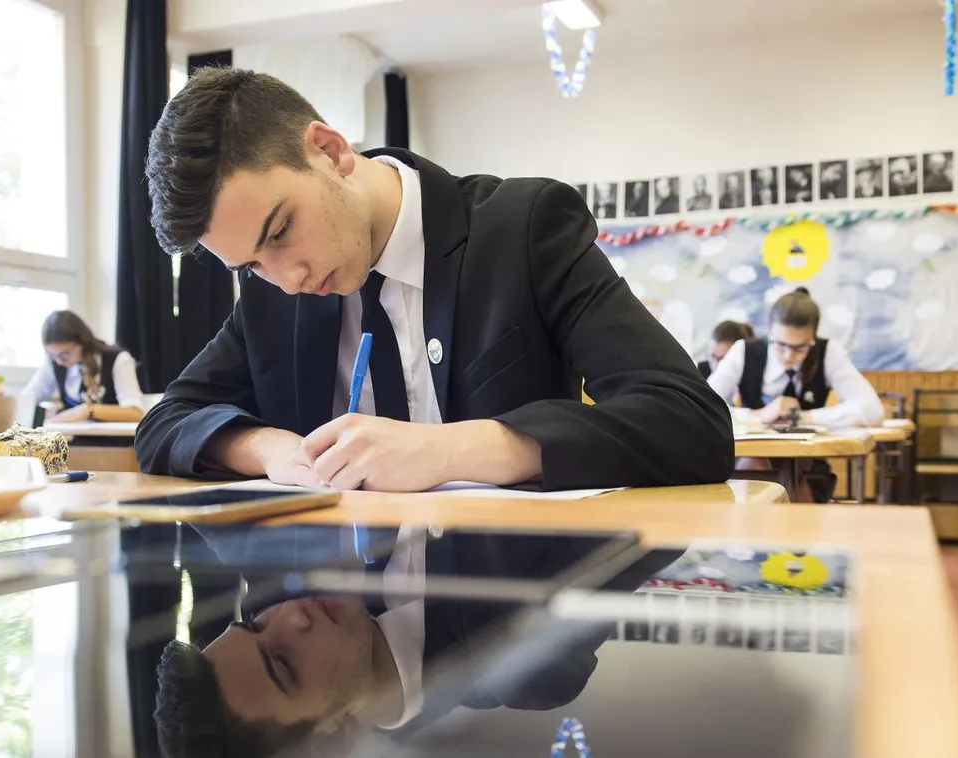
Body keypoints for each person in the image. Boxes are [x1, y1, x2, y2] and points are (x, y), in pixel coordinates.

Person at [136, 67, 734, 493]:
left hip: (508, 633)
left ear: (329, 149)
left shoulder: (524, 231)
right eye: (250, 265)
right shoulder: (271, 292)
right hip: (329, 626)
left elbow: (690, 422)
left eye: (282, 229)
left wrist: (450, 451)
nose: (286, 280)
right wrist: (265, 449)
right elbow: (165, 421)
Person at [150, 524, 680, 756]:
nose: (293, 617)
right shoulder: (519, 664)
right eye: (285, 664)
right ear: (330, 741)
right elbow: (665, 504)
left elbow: (171, 428)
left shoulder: (299, 564)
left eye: (256, 623)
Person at [706, 288, 884, 501]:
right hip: (750, 463)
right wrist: (759, 415)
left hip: (808, 464)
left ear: (813, 339)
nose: (789, 355)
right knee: (754, 473)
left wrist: (805, 417)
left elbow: (871, 408)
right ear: (770, 333)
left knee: (801, 490)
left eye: (800, 348)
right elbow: (704, 405)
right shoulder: (744, 351)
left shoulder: (828, 353)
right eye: (780, 345)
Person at [14, 310, 152, 426]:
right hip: (75, 442)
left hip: (114, 444)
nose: (59, 362)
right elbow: (29, 397)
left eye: (65, 354)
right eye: (53, 355)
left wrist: (88, 411)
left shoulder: (117, 360)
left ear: (82, 341)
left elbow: (134, 413)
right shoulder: (55, 363)